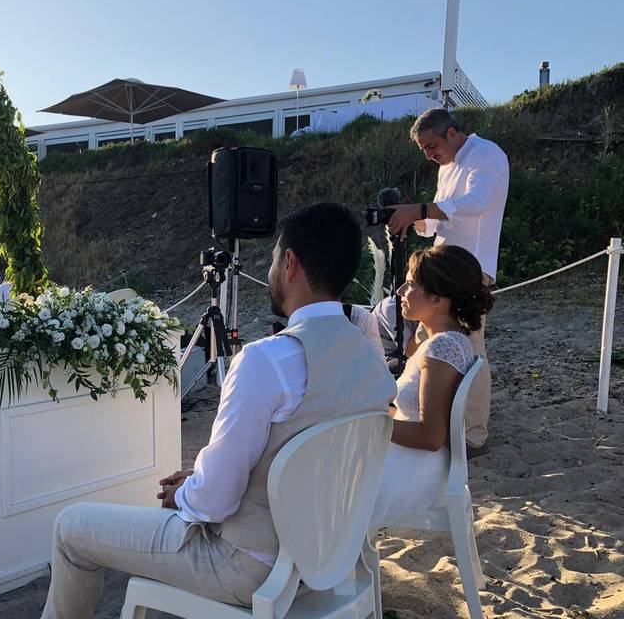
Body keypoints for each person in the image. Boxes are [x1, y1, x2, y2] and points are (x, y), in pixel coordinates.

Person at [40, 203, 396, 618]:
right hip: (329, 558)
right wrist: (202, 480)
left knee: (70, 528)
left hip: (249, 567)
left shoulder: (269, 361)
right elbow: (305, 461)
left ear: (290, 263)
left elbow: (213, 504)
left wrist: (185, 493)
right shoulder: (371, 363)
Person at [386, 108, 508, 455]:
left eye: (431, 145)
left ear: (452, 133)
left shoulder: (486, 154)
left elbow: (476, 204)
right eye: (423, 149)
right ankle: (428, 416)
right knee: (428, 344)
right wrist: (413, 220)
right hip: (442, 267)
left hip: (470, 268)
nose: (428, 155)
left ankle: (473, 434)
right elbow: (442, 219)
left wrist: (422, 210)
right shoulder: (447, 166)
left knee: (471, 348)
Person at [370, 245, 494, 531]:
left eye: (411, 284)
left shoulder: (442, 347)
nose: (400, 291)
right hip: (418, 463)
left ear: (438, 299)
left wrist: (370, 423)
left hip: (416, 471)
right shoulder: (451, 341)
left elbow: (430, 436)